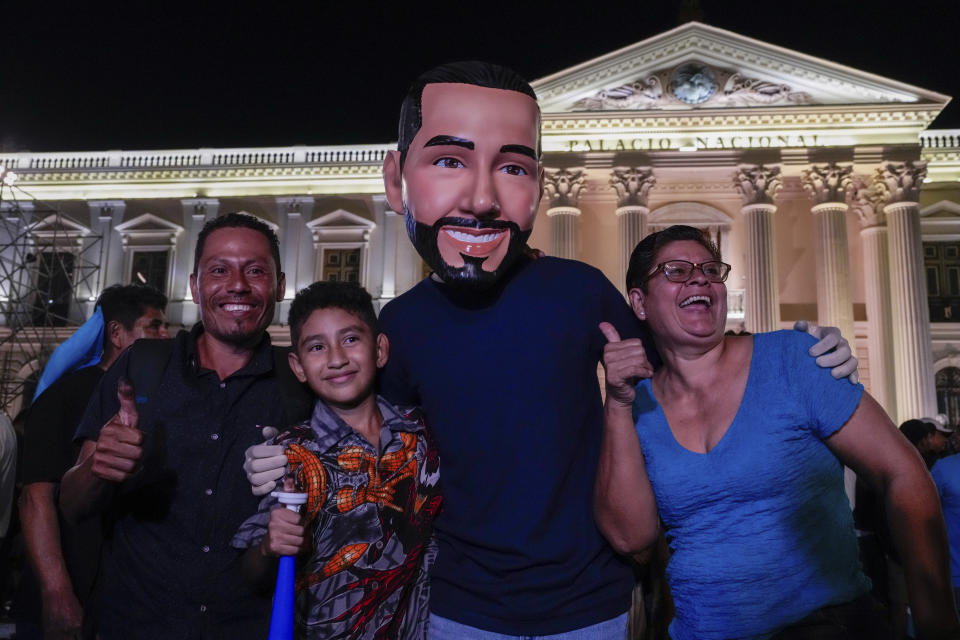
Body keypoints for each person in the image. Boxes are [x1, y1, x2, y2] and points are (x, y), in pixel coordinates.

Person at [246, 62, 859, 638]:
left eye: (513, 168)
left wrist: (789, 350)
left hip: (591, 599)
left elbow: (684, 361)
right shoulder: (399, 326)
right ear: (396, 181)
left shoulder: (580, 290)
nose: (481, 199)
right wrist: (284, 460)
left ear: (538, 185)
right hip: (460, 605)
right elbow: (370, 442)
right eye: (450, 162)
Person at [596, 224, 959, 639]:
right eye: (676, 271)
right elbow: (632, 539)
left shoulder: (793, 359)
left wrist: (936, 616)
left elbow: (904, 473)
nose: (700, 277)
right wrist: (618, 402)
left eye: (711, 270)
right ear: (639, 303)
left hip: (824, 627)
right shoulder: (638, 403)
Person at [59, 213, 312, 640]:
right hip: (136, 626)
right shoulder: (141, 368)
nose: (238, 285)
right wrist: (97, 469)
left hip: (251, 627)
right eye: (219, 270)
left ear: (280, 286)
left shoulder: (301, 387)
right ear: (195, 286)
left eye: (255, 271)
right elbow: (71, 504)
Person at [233, 281, 441, 638]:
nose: (336, 358)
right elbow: (249, 573)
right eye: (317, 347)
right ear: (298, 366)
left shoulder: (420, 430)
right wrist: (270, 545)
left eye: (350, 339)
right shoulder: (291, 453)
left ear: (379, 350)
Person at [16, 284, 168, 640]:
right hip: (73, 590)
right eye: (155, 326)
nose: (166, 335)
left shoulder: (158, 398)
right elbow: (35, 497)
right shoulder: (64, 395)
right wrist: (57, 592)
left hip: (125, 600)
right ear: (117, 333)